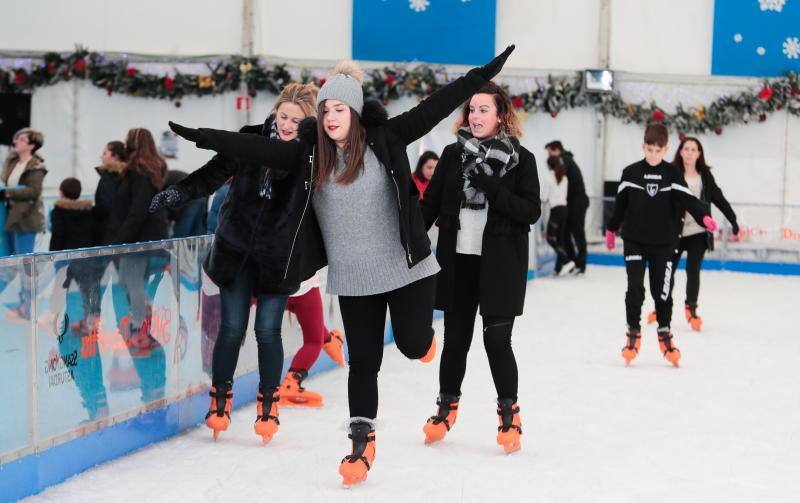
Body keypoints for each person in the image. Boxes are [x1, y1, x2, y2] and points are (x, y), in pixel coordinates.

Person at [161, 45, 515, 486]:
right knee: (363, 364)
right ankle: (360, 445)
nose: (331, 117)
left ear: (355, 111)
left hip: (406, 270)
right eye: (326, 109)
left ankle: (422, 341)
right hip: (353, 278)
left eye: (339, 108)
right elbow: (254, 149)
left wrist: (483, 74)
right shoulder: (312, 156)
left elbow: (437, 105)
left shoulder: (386, 138)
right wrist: (207, 136)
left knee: (411, 345)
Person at [151, 82, 323, 443]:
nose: (288, 124)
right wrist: (179, 192)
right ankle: (220, 401)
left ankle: (268, 404)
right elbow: (213, 174)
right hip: (235, 250)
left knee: (267, 331)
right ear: (275, 111)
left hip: (278, 258)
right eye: (284, 115)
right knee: (231, 328)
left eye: (297, 119)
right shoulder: (249, 139)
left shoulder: (310, 155)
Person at [419, 81, 540, 454]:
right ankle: (445, 408)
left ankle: (509, 414)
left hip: (501, 265)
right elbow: (429, 207)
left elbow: (529, 211)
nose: (475, 116)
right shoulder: (453, 157)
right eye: (471, 109)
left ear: (500, 114)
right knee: (456, 342)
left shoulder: (522, 159)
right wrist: (404, 239)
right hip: (459, 263)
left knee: (496, 341)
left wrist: (491, 186)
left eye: (483, 109)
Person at [605, 124, 716, 368]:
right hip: (634, 241)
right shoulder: (630, 173)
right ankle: (633, 333)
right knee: (635, 289)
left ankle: (665, 335)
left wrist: (703, 217)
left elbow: (688, 200)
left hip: (664, 244)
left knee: (661, 293)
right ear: (643, 147)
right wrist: (611, 229)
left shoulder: (672, 174)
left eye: (658, 150)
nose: (653, 155)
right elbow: (620, 206)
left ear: (665, 149)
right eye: (649, 149)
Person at [646, 137, 739, 331]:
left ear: (699, 153)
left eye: (693, 149)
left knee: (693, 270)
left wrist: (733, 219)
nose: (689, 152)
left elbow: (719, 198)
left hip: (698, 232)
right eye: (686, 148)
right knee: (667, 272)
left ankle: (691, 308)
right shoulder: (671, 172)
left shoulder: (705, 176)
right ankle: (661, 307)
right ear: (680, 152)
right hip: (674, 232)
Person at [104, 127, 169, 404]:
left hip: (136, 247)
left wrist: (119, 242)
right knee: (136, 301)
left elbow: (138, 210)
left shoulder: (139, 171)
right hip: (148, 244)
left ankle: (141, 330)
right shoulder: (155, 169)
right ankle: (153, 388)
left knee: (134, 305)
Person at [280, 273, 345, 407]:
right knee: (314, 341)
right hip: (304, 285)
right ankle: (290, 384)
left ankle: (330, 340)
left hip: (271, 286)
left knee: (311, 322)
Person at [545, 140, 589, 274]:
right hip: (569, 204)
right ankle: (571, 262)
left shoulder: (564, 160)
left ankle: (579, 264)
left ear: (556, 150)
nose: (549, 156)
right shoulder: (564, 160)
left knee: (577, 232)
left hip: (577, 203)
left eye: (550, 152)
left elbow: (562, 184)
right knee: (565, 233)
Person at [3, 128, 47, 256]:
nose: (17, 141)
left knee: (24, 262)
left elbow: (34, 191)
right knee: (9, 261)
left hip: (26, 218)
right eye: (17, 138)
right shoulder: (12, 162)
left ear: (31, 146)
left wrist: (7, 193)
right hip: (11, 216)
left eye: (22, 139)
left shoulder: (36, 166)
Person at [541, 156, 572, 275]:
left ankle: (567, 261)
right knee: (560, 239)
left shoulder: (549, 177)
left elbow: (544, 197)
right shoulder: (564, 177)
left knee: (550, 238)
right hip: (564, 209)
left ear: (549, 165)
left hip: (556, 211)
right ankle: (558, 269)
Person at [94, 141, 127, 243]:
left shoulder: (109, 176)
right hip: (123, 230)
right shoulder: (128, 175)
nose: (101, 157)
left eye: (105, 153)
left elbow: (106, 205)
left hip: (108, 231)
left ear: (115, 156)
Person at [163, 169, 208, 238]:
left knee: (181, 235)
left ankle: (176, 248)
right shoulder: (172, 175)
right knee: (198, 234)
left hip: (190, 197)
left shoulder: (162, 179)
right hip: (202, 194)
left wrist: (170, 217)